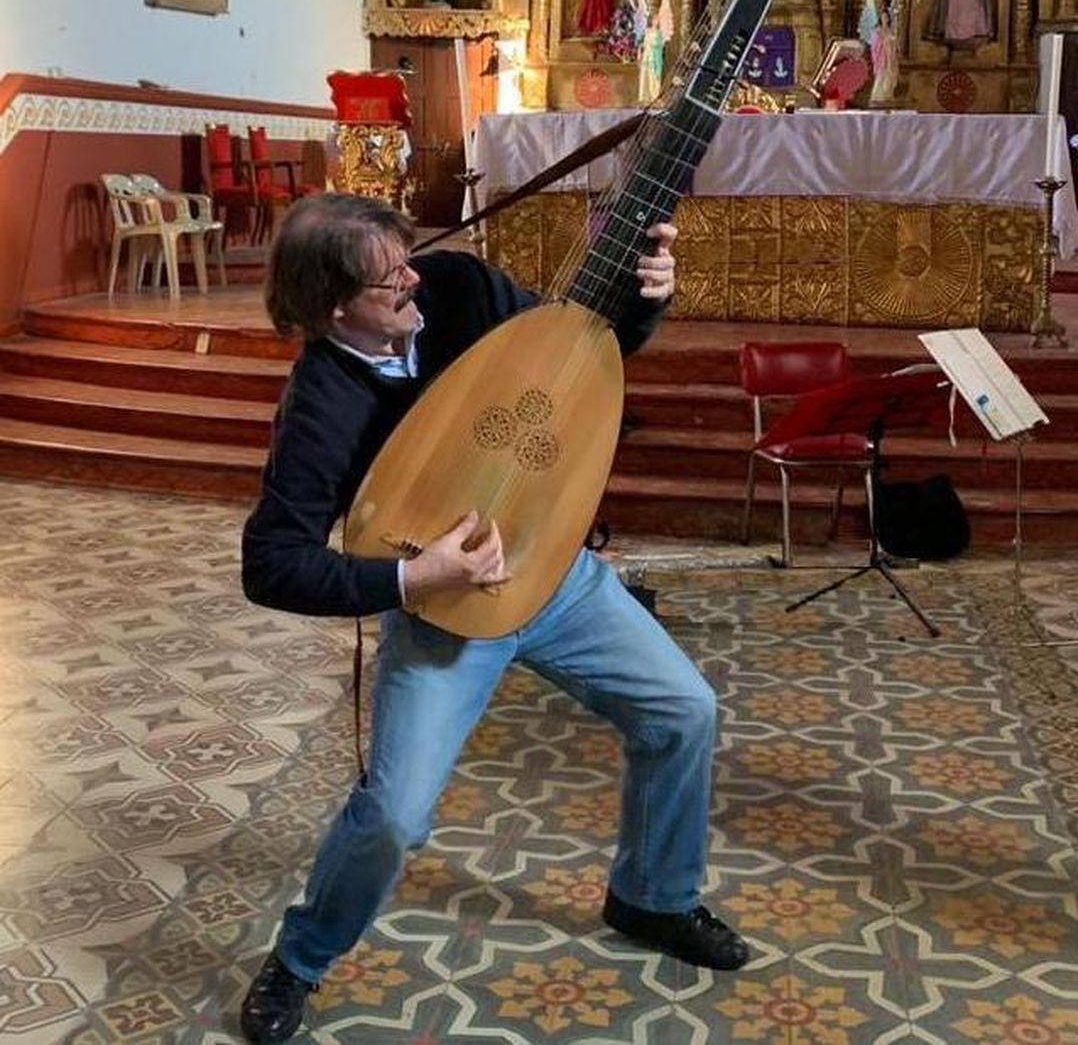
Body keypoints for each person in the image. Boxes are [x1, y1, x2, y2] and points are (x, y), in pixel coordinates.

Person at [237, 194, 749, 1044]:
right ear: (334, 305)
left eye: (407, 255)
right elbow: (271, 562)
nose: (412, 278)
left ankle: (651, 897)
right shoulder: (322, 402)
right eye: (387, 275)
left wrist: (645, 296)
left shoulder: (457, 287)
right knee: (396, 813)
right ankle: (299, 958)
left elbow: (580, 350)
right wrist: (415, 574)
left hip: (557, 577)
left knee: (684, 710)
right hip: (444, 612)